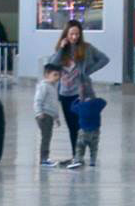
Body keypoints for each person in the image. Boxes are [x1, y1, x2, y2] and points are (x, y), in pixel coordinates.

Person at [52, 21, 111, 168]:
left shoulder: (87, 48)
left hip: (81, 93)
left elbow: (104, 59)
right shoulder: (62, 50)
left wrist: (88, 71)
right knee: (72, 126)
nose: (74, 37)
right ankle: (75, 156)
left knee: (82, 126)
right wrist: (60, 49)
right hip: (65, 92)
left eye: (77, 34)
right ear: (66, 34)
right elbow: (52, 65)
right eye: (71, 34)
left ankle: (80, 157)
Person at [33, 63, 62, 167]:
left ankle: (45, 158)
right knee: (46, 137)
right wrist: (39, 112)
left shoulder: (53, 87)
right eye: (55, 75)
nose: (58, 78)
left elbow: (54, 104)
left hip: (49, 116)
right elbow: (38, 100)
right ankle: (43, 159)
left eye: (59, 75)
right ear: (46, 75)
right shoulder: (44, 86)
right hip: (44, 115)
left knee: (47, 136)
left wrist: (56, 117)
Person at [71, 95, 106, 167]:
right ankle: (92, 161)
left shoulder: (80, 106)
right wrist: (95, 98)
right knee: (94, 148)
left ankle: (79, 160)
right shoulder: (96, 106)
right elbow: (104, 102)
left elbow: (72, 108)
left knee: (80, 147)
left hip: (83, 131)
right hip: (95, 131)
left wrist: (77, 99)